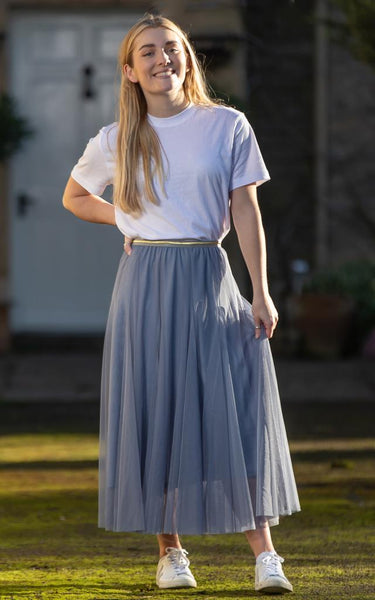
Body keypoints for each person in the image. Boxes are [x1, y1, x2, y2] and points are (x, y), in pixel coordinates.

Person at [62, 13, 300, 595]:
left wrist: (261, 291)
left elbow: (246, 210)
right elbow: (74, 197)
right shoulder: (118, 136)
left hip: (210, 275)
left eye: (171, 48)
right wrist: (127, 215)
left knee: (237, 407)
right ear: (130, 69)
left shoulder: (226, 125)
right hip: (144, 279)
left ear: (187, 59)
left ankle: (266, 556)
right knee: (157, 408)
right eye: (148, 52)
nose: (162, 58)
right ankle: (171, 554)